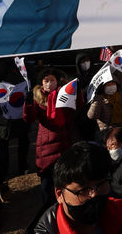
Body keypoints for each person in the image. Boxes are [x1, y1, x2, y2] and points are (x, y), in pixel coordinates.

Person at [31, 141, 122, 234]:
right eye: (83, 189)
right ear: (59, 195)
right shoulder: (47, 230)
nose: (94, 194)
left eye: (101, 184)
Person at [24, 68, 76, 204]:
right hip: (46, 144)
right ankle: (48, 208)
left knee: (65, 178)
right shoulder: (37, 99)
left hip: (65, 141)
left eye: (52, 80)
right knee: (47, 182)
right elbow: (29, 118)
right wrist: (28, 104)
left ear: (57, 81)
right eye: (46, 81)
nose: (49, 84)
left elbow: (73, 112)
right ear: (41, 83)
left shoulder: (65, 94)